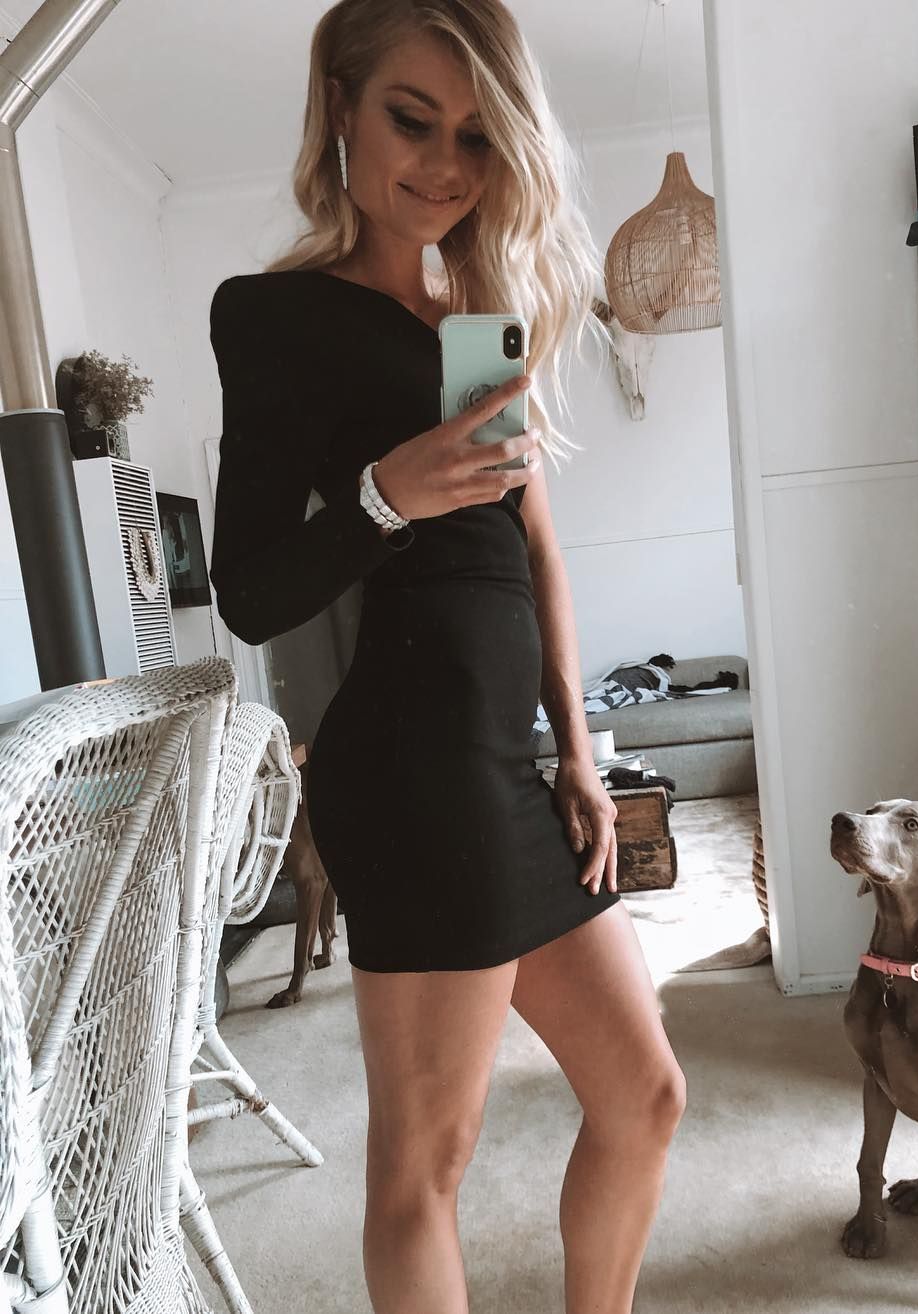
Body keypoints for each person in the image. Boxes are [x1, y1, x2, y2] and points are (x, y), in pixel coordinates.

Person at [207, 2, 686, 1310]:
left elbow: (534, 546)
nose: (443, 165)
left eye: (477, 137)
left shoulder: (478, 318)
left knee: (645, 1094)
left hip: (505, 763)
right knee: (427, 1163)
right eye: (411, 120)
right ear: (342, 109)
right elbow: (247, 591)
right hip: (411, 771)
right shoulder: (276, 317)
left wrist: (577, 749)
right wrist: (385, 495)